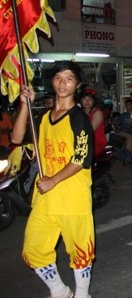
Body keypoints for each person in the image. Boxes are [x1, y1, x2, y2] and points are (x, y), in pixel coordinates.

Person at [11, 60, 95, 298]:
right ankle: (59, 290)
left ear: (77, 85)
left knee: (81, 252)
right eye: (58, 78)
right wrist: (25, 105)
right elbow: (17, 138)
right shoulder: (44, 117)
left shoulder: (79, 119)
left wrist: (53, 180)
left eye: (69, 78)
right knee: (34, 249)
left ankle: (82, 294)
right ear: (52, 81)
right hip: (46, 199)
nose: (63, 83)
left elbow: (81, 158)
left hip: (72, 198)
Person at [79, 88, 107, 158]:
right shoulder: (80, 113)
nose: (87, 101)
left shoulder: (97, 113)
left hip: (95, 143)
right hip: (83, 142)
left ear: (93, 101)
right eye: (84, 99)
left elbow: (90, 130)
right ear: (81, 101)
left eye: (90, 99)